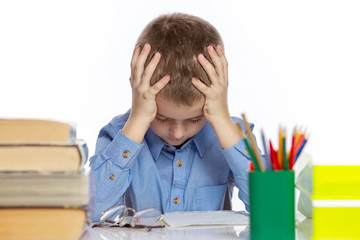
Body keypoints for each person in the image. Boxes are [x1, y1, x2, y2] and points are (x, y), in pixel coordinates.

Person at [89, 13, 261, 222]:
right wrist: (138, 120)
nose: (177, 132)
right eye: (161, 118)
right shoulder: (118, 135)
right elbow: (92, 213)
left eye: (194, 119)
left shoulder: (232, 134)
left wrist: (223, 121)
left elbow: (271, 211)